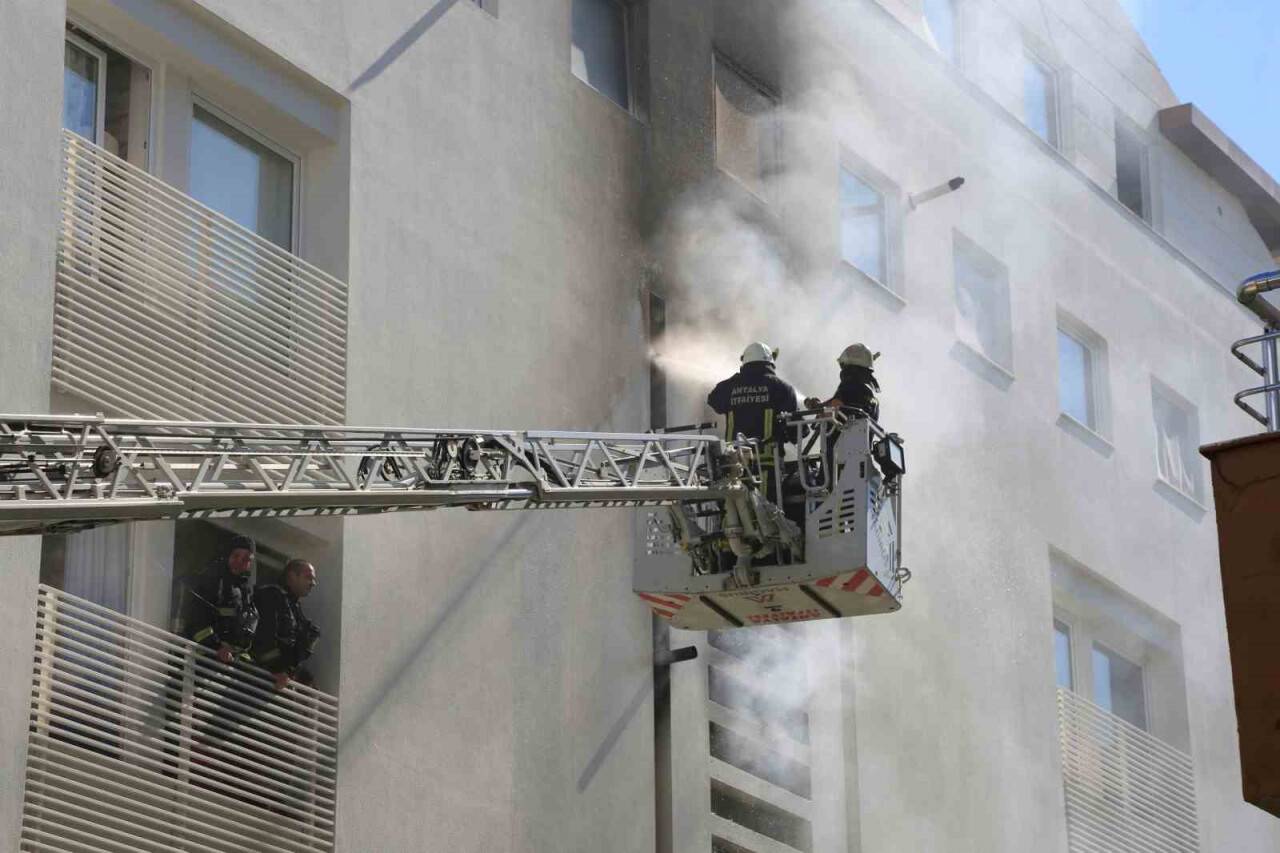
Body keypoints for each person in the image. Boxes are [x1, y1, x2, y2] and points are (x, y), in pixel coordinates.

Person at [708, 342, 800, 503]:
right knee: (768, 514)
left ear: (745, 363)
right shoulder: (782, 389)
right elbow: (796, 433)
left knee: (734, 513)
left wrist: (738, 382)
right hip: (768, 465)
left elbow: (713, 400)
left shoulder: (729, 387)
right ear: (770, 362)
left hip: (733, 464)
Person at [182, 534, 260, 663]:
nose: (239, 562)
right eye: (236, 556)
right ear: (227, 555)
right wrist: (216, 646)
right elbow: (197, 619)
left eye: (246, 559)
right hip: (205, 660)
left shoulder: (246, 592)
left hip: (230, 667)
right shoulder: (212, 580)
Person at [253, 559, 321, 690]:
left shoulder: (294, 606)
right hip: (259, 679)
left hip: (277, 682)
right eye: (308, 577)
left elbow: (294, 653)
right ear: (291, 576)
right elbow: (264, 638)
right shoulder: (271, 595)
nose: (313, 583)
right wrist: (277, 669)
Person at [805, 343, 881, 421]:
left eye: (844, 367)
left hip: (843, 432)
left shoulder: (848, 386)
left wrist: (819, 409)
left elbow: (834, 408)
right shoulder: (872, 398)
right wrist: (820, 405)